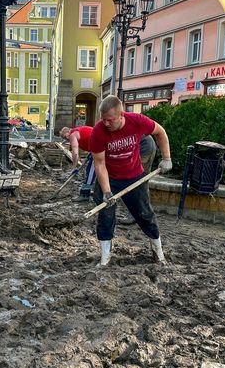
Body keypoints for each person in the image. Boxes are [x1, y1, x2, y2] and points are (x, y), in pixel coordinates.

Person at [90, 95, 172, 267]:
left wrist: (166, 158)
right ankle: (105, 258)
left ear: (121, 116)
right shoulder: (98, 131)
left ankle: (158, 252)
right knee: (105, 216)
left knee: (145, 214)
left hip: (134, 176)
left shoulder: (137, 121)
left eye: (110, 120)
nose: (106, 124)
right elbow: (99, 164)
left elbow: (160, 132)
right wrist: (106, 192)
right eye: (103, 120)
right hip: (109, 179)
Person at [60, 125, 94, 201]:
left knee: (90, 171)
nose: (67, 139)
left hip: (99, 148)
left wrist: (74, 167)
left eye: (65, 137)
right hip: (97, 148)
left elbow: (75, 152)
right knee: (96, 171)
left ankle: (85, 194)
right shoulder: (77, 132)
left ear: (68, 131)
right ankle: (99, 190)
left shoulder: (72, 134)